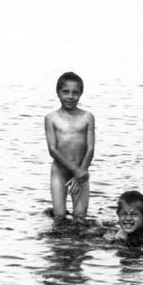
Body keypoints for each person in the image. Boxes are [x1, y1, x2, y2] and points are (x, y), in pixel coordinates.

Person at [44, 71, 94, 219]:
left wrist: (81, 171)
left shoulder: (87, 117)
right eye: (65, 92)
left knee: (79, 215)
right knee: (59, 215)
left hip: (81, 170)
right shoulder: (51, 118)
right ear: (58, 92)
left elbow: (90, 147)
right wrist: (75, 170)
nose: (70, 97)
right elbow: (52, 149)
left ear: (81, 94)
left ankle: (78, 242)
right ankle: (61, 242)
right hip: (59, 171)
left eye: (75, 93)